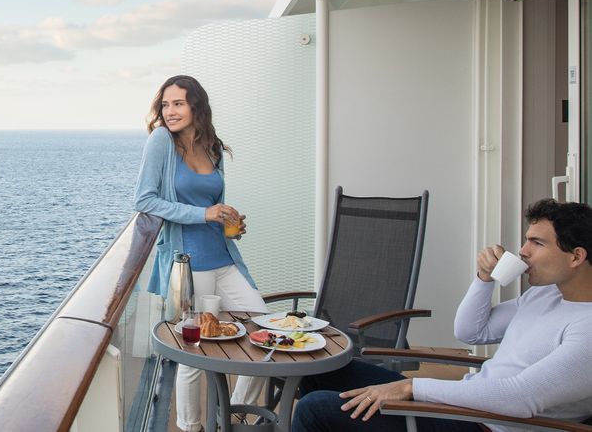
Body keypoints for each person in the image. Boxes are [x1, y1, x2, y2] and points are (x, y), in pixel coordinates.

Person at [292, 198, 592, 432]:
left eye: (537, 243)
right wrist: (483, 278)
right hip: (465, 402)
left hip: (484, 425)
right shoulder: (545, 294)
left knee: (315, 408)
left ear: (576, 256)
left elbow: (521, 398)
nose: (523, 251)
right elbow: (470, 332)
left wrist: (410, 387)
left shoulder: (586, 329)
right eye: (526, 240)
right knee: (320, 371)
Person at [135, 74, 268, 432]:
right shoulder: (162, 140)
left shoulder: (213, 146)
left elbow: (214, 203)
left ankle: (235, 416)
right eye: (165, 104)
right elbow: (144, 200)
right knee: (194, 352)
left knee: (261, 328)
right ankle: (190, 427)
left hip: (223, 257)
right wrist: (204, 214)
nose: (170, 111)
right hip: (188, 262)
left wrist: (228, 219)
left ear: (197, 106)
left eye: (178, 103)